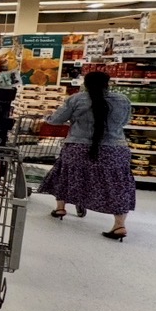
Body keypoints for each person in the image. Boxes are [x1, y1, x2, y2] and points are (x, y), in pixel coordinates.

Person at [37, 71, 135, 240]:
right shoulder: (122, 100)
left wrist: (47, 116)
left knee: (66, 175)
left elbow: (56, 120)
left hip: (78, 148)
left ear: (85, 83)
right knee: (117, 185)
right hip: (114, 150)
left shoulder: (76, 99)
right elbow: (126, 121)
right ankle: (119, 225)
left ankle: (61, 208)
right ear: (108, 83)